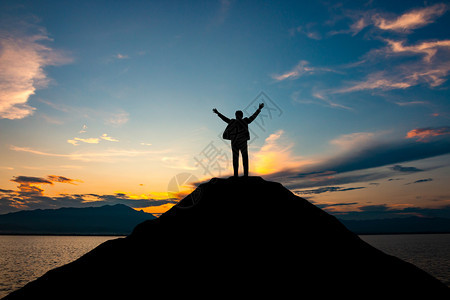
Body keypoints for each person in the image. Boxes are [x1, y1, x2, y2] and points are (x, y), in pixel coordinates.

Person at [213, 103, 264, 177]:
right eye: (237, 115)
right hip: (235, 142)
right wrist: (218, 113)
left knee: (243, 158)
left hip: (241, 142)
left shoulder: (243, 121)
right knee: (237, 158)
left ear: (240, 115)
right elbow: (225, 119)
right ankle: (237, 175)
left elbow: (252, 117)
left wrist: (258, 110)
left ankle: (244, 175)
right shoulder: (233, 121)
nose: (237, 116)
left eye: (238, 115)